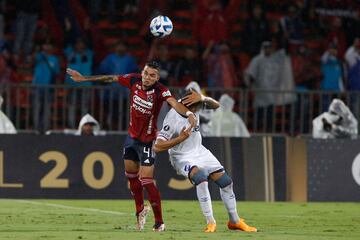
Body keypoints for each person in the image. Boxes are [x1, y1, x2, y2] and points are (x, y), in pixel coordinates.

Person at [66, 61, 197, 232]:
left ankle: (159, 222)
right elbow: (110, 78)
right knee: (131, 176)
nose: (147, 77)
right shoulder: (133, 80)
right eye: (145, 73)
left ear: (157, 78)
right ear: (142, 72)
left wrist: (189, 114)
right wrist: (84, 79)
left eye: (152, 75)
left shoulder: (160, 90)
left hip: (148, 141)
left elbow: (173, 103)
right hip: (131, 139)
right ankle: (140, 211)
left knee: (147, 181)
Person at [153, 90, 257, 233]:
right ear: (188, 104)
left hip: (200, 151)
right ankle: (211, 222)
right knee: (201, 179)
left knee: (226, 182)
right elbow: (157, 146)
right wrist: (180, 139)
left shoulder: (195, 106)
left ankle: (235, 221)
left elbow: (216, 106)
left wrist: (202, 97)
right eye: (198, 106)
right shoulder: (172, 119)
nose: (199, 109)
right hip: (181, 157)